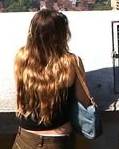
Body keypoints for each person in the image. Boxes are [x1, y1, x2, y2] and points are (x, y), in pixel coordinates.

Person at [12, 9, 96, 149]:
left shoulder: (21, 57)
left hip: (25, 137)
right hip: (58, 140)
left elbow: (19, 90)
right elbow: (83, 101)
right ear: (62, 34)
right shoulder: (71, 62)